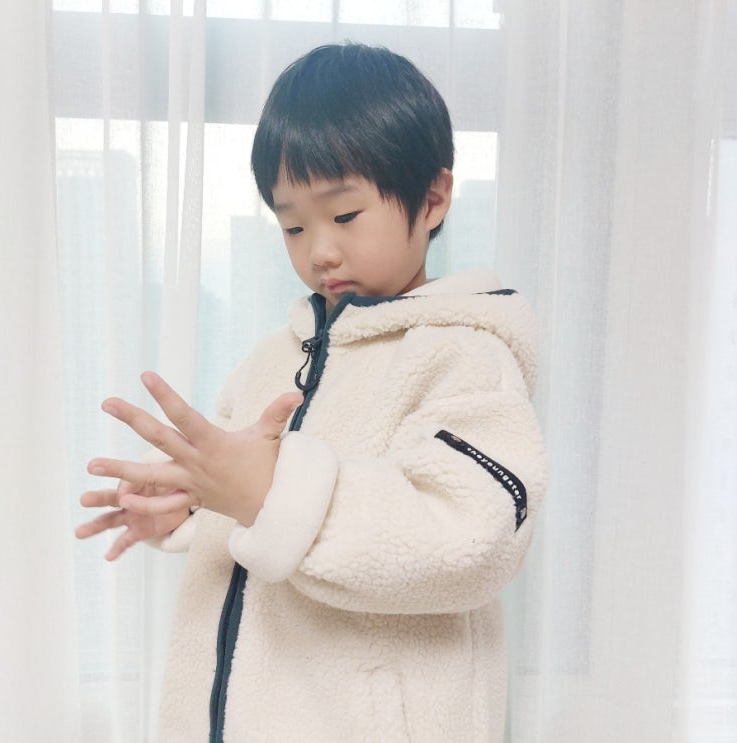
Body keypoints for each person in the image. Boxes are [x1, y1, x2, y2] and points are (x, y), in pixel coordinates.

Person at [76, 42, 547, 742]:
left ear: (433, 198)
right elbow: (239, 499)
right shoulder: (271, 359)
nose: (318, 249)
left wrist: (271, 491)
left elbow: (469, 539)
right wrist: (184, 502)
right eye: (292, 225)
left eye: (344, 215)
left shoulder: (464, 356)